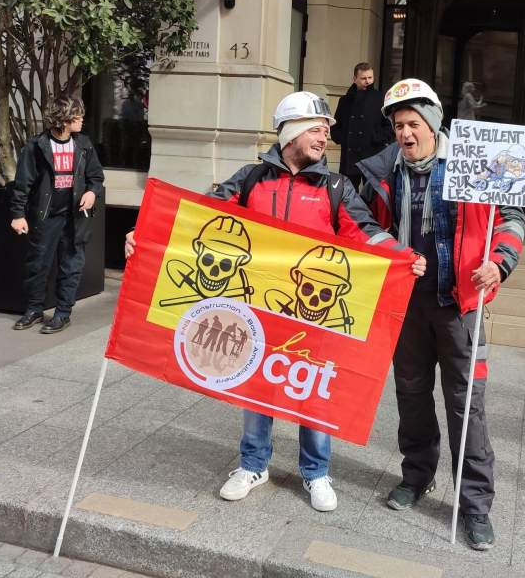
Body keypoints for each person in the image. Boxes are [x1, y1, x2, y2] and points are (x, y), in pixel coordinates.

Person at [125, 90, 425, 513]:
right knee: (254, 385)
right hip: (258, 309)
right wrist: (147, 233)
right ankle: (253, 464)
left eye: (326, 132)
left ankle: (316, 472)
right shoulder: (251, 178)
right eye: (318, 130)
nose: (325, 139)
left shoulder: (335, 186)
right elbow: (198, 215)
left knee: (313, 390)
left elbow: (365, 232)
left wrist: (402, 256)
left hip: (312, 317)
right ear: (293, 132)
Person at [357, 79, 525, 551]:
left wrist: (499, 262)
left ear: (433, 124)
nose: (405, 134)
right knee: (411, 395)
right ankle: (417, 477)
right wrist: (391, 252)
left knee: (466, 405)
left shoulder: (476, 162)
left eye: (413, 124)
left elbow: (511, 218)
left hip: (460, 304)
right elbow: (364, 225)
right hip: (406, 302)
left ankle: (475, 507)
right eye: (398, 126)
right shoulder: (383, 171)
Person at [9, 97, 104, 334]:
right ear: (64, 120)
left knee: (71, 265)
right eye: (77, 116)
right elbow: (23, 184)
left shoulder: (84, 144)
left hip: (75, 217)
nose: (82, 120)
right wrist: (18, 214)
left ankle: (63, 313)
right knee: (38, 264)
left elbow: (96, 177)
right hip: (46, 216)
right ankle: (34, 310)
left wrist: (92, 192)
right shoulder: (36, 146)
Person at [331, 62, 393, 187]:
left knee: (372, 198)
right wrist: (342, 138)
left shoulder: (381, 99)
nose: (368, 81)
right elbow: (337, 125)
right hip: (349, 158)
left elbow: (390, 126)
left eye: (370, 78)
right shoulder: (345, 100)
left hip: (372, 156)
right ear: (355, 79)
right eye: (363, 78)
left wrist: (376, 138)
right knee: (348, 196)